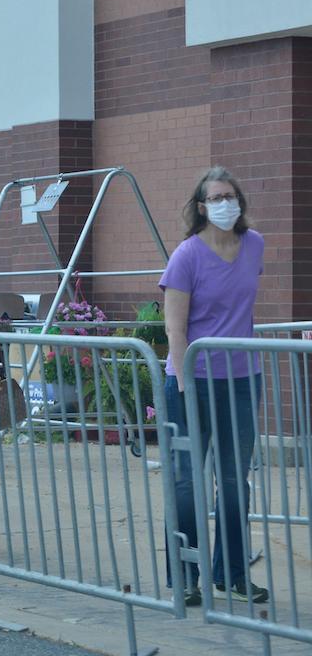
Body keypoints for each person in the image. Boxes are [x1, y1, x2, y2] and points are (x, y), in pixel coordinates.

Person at [162, 166, 268, 606]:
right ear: (202, 206)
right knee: (187, 481)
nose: (226, 203)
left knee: (233, 477)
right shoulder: (186, 255)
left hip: (242, 378)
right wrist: (185, 381)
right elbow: (176, 328)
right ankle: (185, 576)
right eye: (216, 197)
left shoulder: (254, 244)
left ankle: (234, 573)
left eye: (231, 195)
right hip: (192, 380)